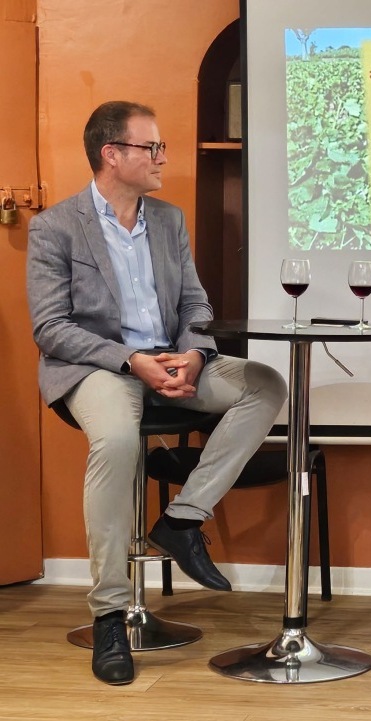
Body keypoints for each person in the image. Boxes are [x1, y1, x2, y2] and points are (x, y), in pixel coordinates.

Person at [26, 101, 288, 686]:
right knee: (117, 439)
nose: (162, 157)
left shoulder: (167, 220)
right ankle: (110, 615)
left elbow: (196, 305)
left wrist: (194, 352)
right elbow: (50, 327)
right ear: (112, 155)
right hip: (99, 368)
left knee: (266, 384)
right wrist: (130, 360)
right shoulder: (56, 226)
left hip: (173, 361)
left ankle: (183, 518)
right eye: (153, 147)